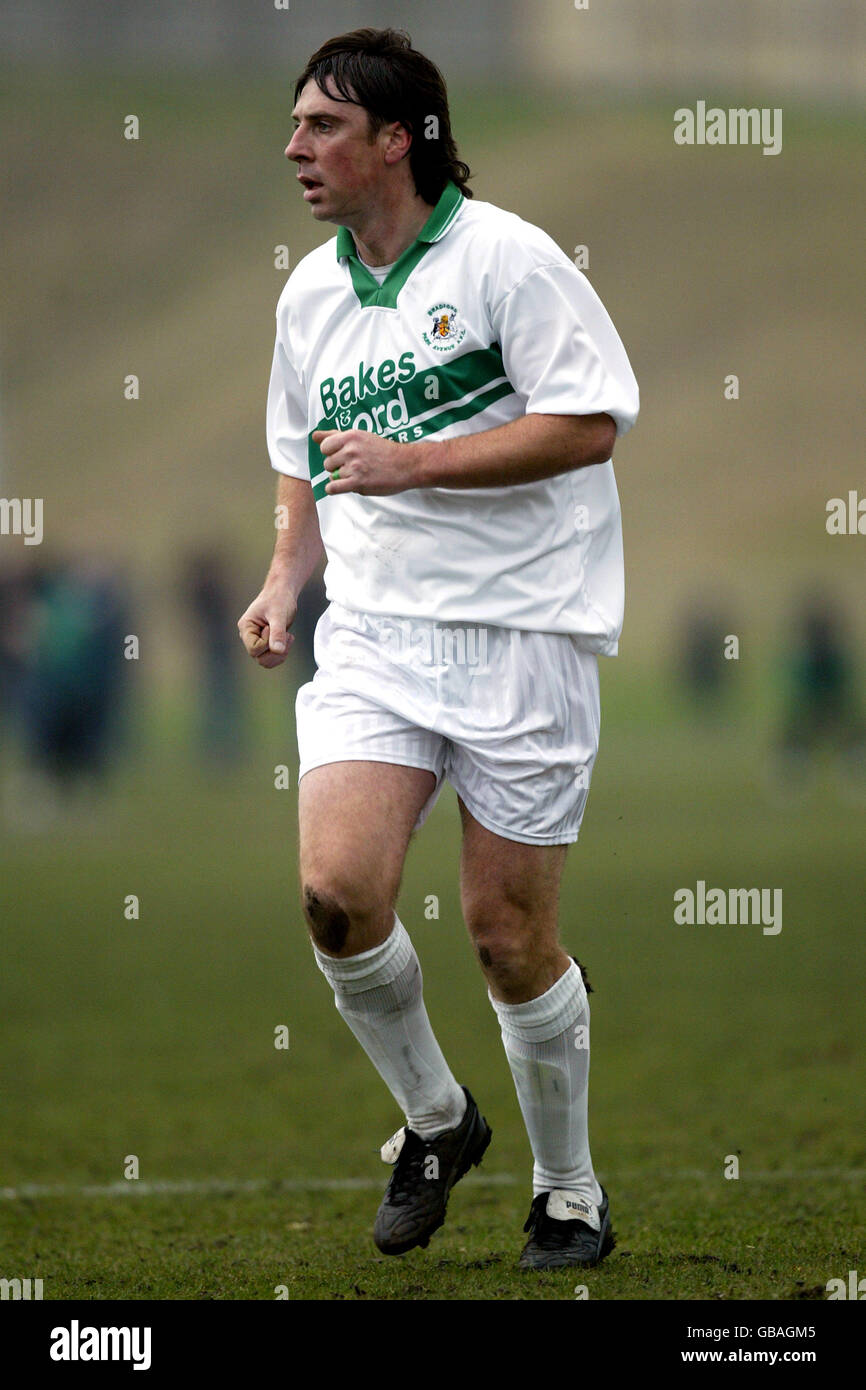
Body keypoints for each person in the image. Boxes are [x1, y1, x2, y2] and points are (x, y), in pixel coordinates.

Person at [238, 27, 639, 1270]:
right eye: (298, 124)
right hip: (372, 639)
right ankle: (436, 1120)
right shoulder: (308, 294)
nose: (297, 147)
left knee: (504, 937)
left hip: (522, 636)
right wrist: (283, 580)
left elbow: (587, 426)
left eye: (324, 127)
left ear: (396, 139)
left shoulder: (507, 260)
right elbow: (305, 462)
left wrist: (416, 462)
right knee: (334, 895)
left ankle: (567, 1194)